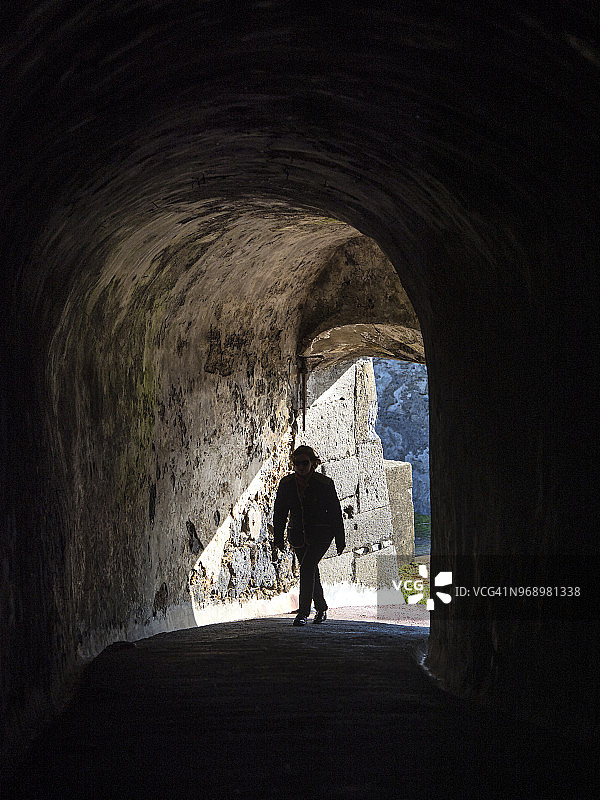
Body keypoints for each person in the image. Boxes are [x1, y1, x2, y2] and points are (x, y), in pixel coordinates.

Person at [272, 445, 345, 626]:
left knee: (306, 567)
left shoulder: (324, 484)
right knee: (310, 569)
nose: (301, 467)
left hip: (321, 534)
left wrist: (340, 539)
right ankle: (321, 608)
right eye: (297, 463)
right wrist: (278, 537)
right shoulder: (286, 484)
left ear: (313, 463)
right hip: (298, 534)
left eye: (304, 463)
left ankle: (303, 613)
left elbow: (335, 512)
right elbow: (280, 512)